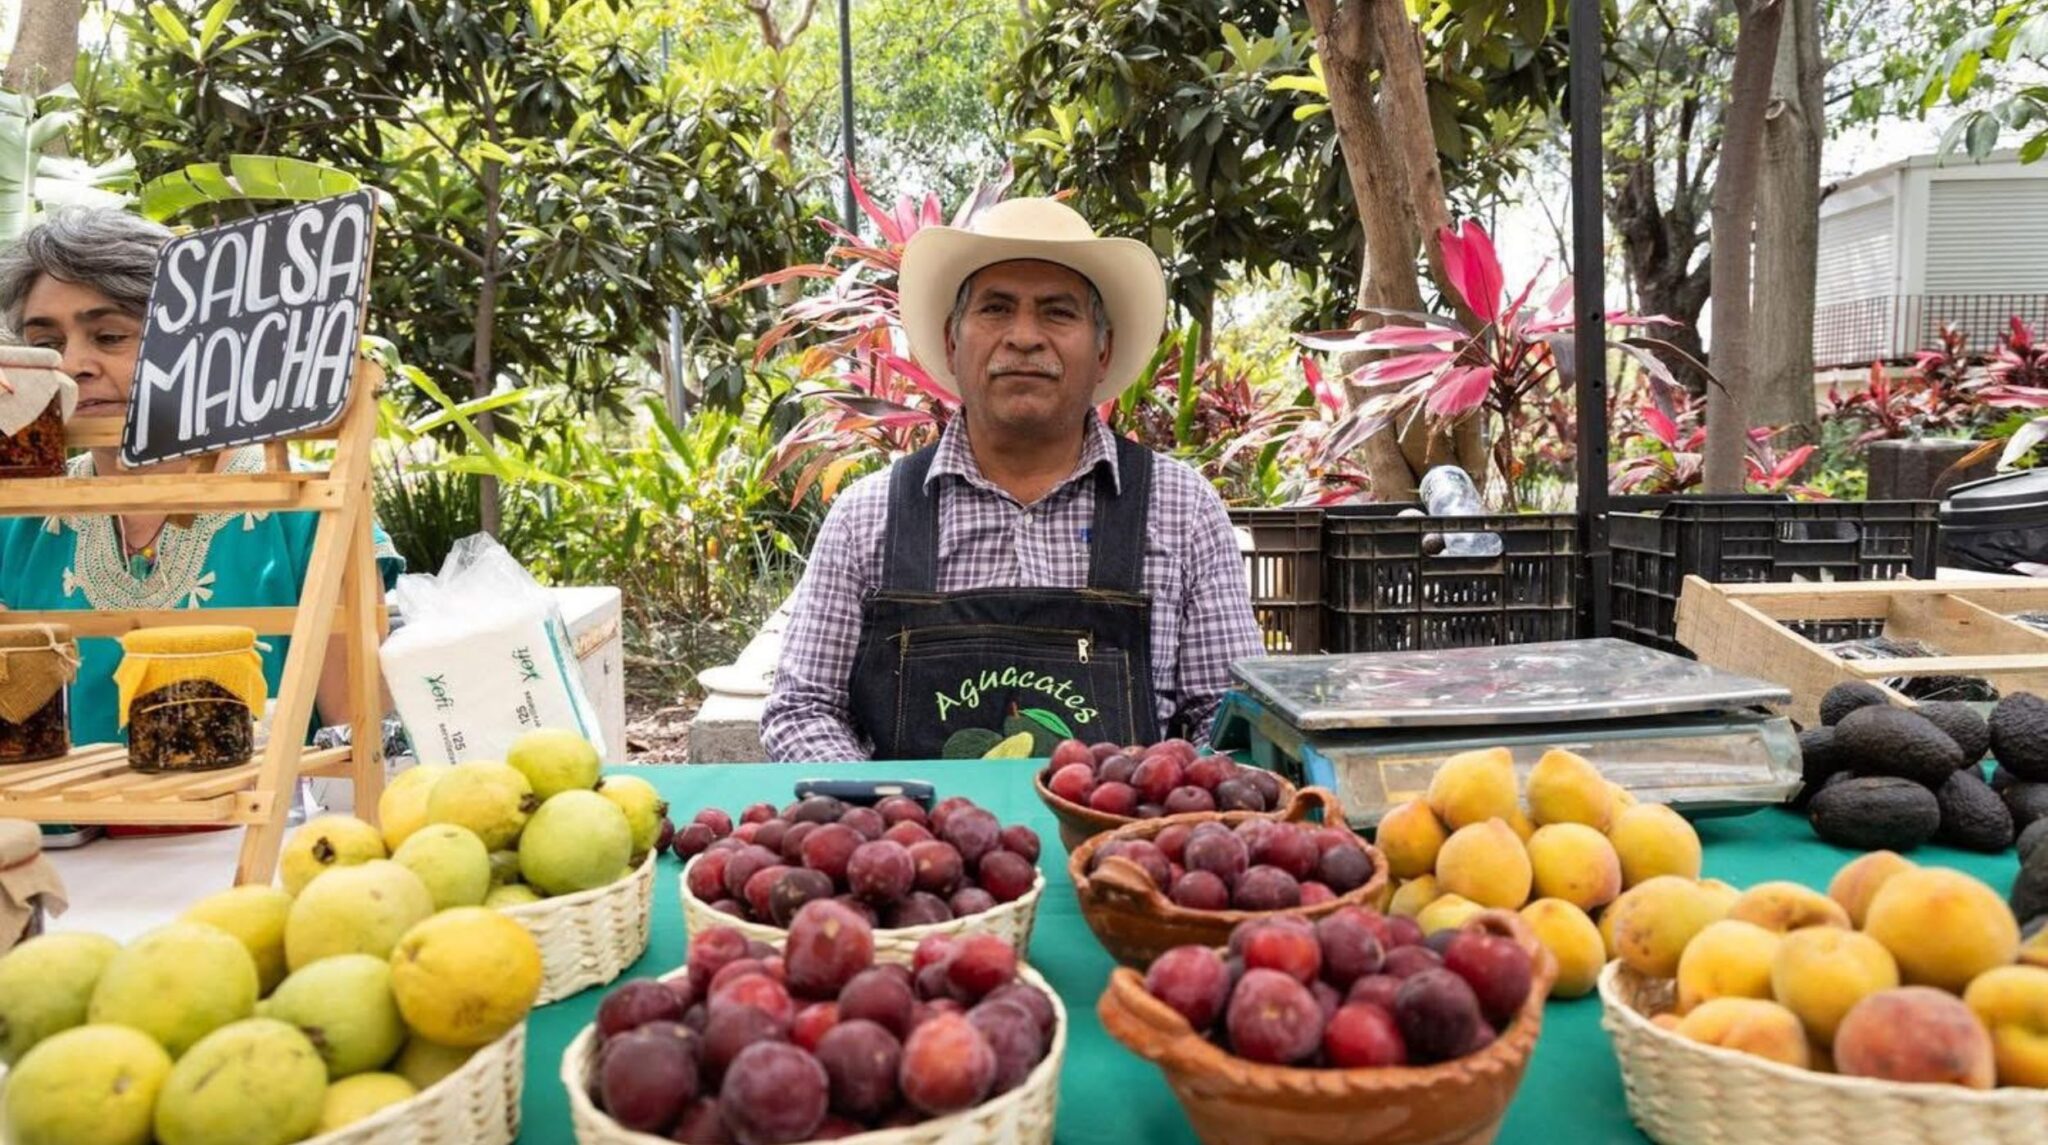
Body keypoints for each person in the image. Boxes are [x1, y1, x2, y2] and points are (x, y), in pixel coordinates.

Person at [760, 197, 1263, 761]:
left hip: (1119, 845)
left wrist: (1168, 815)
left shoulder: (1183, 510)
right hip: (917, 843)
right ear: (953, 344)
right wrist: (883, 817)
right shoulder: (866, 518)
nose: (1024, 336)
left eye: (1057, 312)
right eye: (996, 309)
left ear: (1104, 351)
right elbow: (804, 707)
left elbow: (1229, 718)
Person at [0, 208, 403, 753]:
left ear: (192, 342)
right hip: (53, 839)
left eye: (111, 335)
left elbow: (360, 740)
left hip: (259, 833)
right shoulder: (14, 520)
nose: (73, 364)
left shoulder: (306, 515)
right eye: (45, 344)